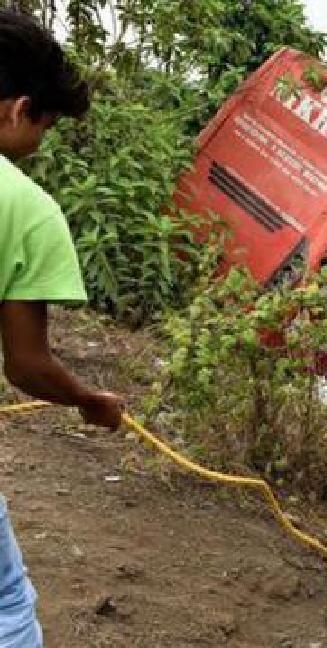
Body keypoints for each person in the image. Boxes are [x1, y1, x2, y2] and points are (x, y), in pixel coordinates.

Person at [0, 12, 125, 647]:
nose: (41, 141)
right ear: (18, 110)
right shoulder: (24, 206)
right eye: (44, 125)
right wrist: (88, 399)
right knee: (7, 612)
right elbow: (25, 365)